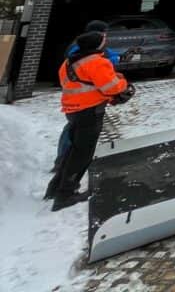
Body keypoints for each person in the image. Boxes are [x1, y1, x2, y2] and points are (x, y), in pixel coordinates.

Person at [45, 27, 134, 210]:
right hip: (89, 111)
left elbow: (76, 83)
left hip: (72, 110)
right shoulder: (96, 62)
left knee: (73, 150)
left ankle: (56, 187)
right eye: (103, 39)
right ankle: (65, 194)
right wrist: (125, 86)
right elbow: (113, 87)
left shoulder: (69, 63)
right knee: (82, 154)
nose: (106, 42)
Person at [51, 21, 122, 172]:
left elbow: (107, 55)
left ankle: (63, 168)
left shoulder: (89, 45)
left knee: (74, 132)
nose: (106, 36)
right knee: (78, 141)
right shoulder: (79, 49)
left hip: (82, 103)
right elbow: (90, 66)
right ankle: (64, 167)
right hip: (84, 105)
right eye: (104, 33)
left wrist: (116, 59)